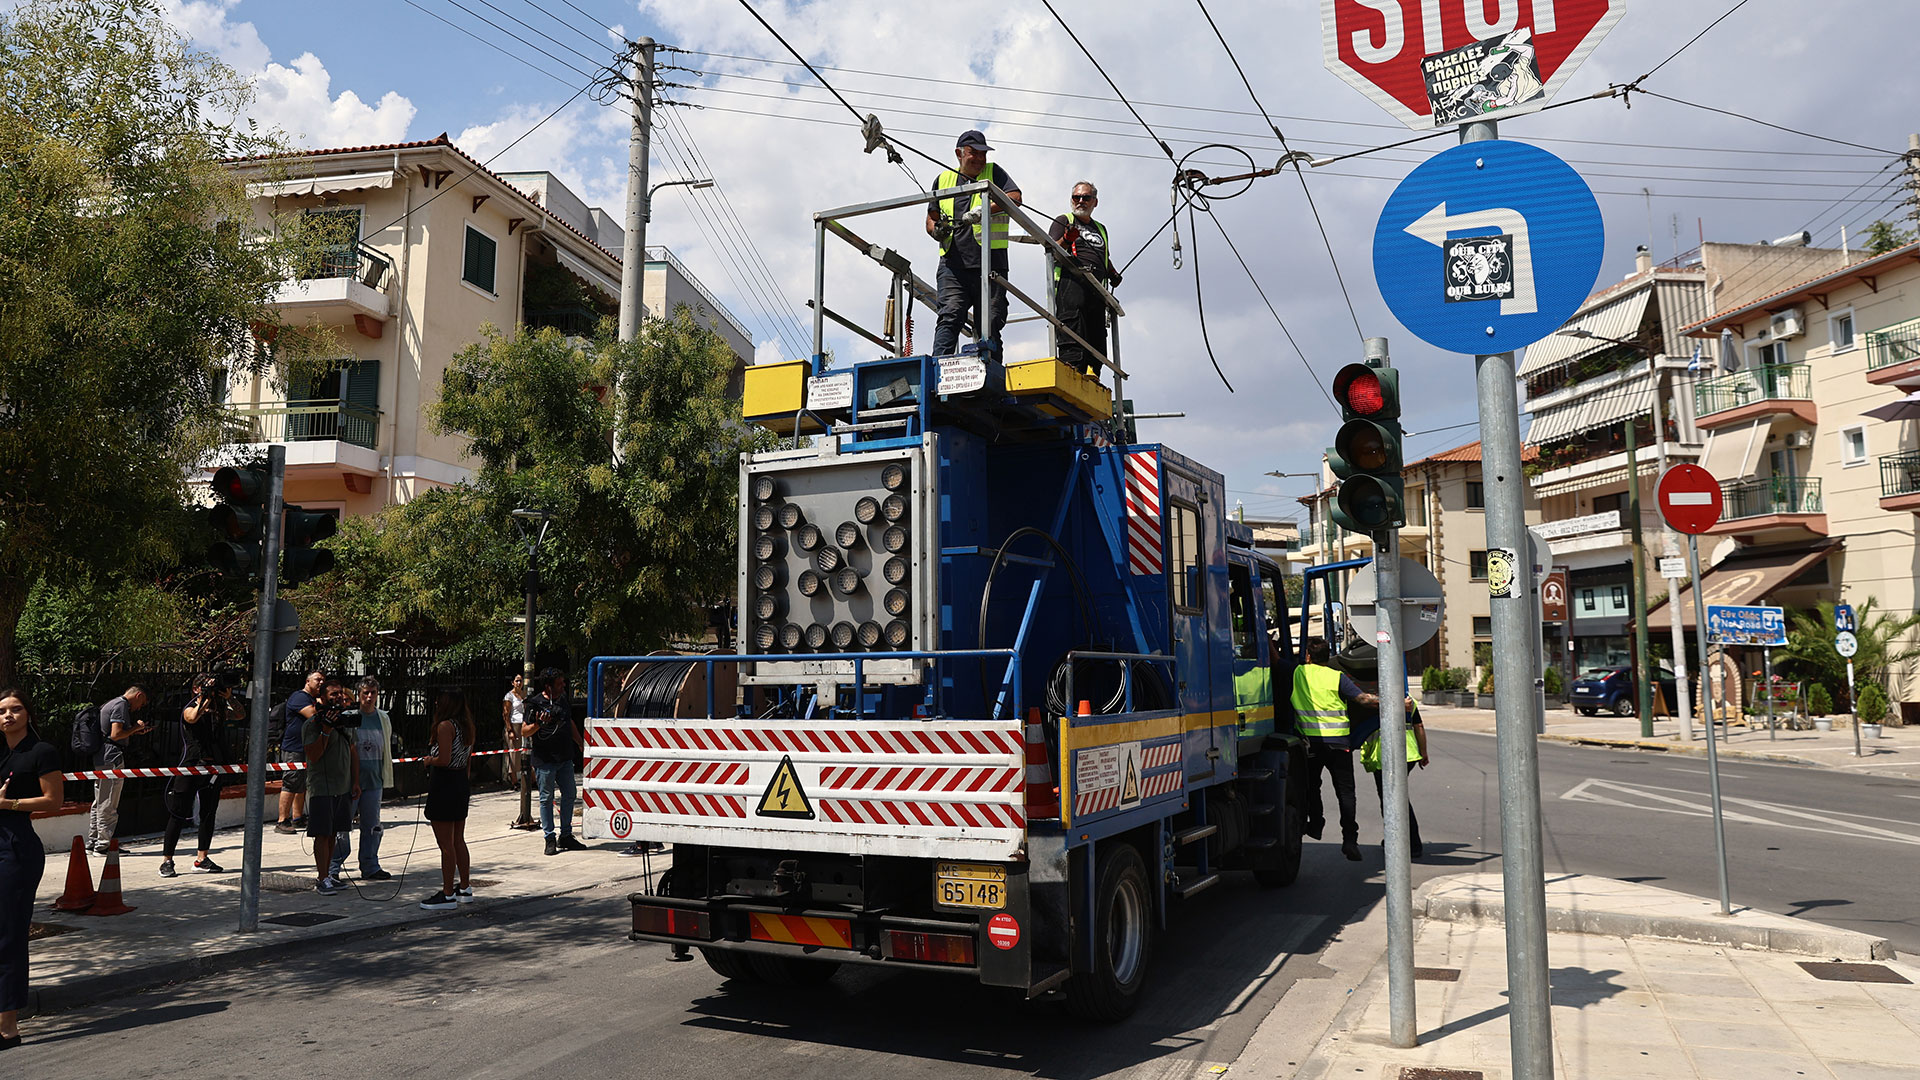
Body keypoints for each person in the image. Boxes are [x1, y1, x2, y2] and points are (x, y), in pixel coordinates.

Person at [1289, 638, 1393, 862]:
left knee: (1311, 786)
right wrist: (1392, 701)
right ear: (1327, 657)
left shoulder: (1298, 673)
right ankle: (1349, 839)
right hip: (1339, 744)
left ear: (1308, 656)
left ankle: (1315, 824)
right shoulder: (1337, 677)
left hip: (1311, 744)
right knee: (1345, 792)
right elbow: (1364, 700)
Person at [1, 687, 63, 1051]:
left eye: (16, 709)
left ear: (28, 714)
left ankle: (7, 1028)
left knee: (8, 936)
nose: (8, 715)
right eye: (2, 711)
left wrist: (9, 804)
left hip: (16, 849)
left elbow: (55, 802)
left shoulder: (41, 751)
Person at [927, 129, 1022, 358]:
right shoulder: (943, 179)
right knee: (949, 317)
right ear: (959, 153)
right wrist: (936, 230)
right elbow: (932, 218)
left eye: (983, 154)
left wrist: (984, 211)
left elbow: (1016, 198)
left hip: (990, 264)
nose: (980, 159)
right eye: (974, 153)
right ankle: (939, 370)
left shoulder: (994, 172)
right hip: (953, 265)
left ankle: (989, 375)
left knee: (988, 324)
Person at [1047, 181, 1122, 375]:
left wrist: (1112, 272)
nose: (1080, 201)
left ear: (1095, 202)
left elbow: (1102, 254)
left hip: (1096, 289)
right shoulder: (1063, 220)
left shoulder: (1101, 229)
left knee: (1097, 338)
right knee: (1073, 331)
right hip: (1071, 283)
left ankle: (1093, 376)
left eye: (1086, 198)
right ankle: (1071, 373)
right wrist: (1067, 239)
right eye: (1076, 197)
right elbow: (1050, 249)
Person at [160, 675, 231, 877]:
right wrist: (204, 697)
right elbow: (191, 718)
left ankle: (202, 858)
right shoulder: (190, 707)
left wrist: (228, 697)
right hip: (191, 765)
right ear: (195, 688)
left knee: (208, 813)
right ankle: (167, 860)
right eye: (206, 686)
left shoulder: (219, 709)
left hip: (213, 766)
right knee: (178, 813)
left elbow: (240, 715)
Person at [329, 677, 394, 883]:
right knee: (342, 826)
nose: (369, 697)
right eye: (365, 693)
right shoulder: (350, 717)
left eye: (373, 693)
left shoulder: (383, 718)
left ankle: (370, 865)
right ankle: (332, 867)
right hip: (349, 781)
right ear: (358, 694)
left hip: (374, 780)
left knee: (372, 825)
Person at [302, 678, 360, 895]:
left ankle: (329, 874)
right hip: (321, 788)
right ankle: (322, 877)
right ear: (322, 698)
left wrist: (355, 782)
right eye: (332, 694)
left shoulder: (346, 723)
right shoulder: (313, 724)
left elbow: (353, 752)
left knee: (334, 833)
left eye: (339, 694)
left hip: (342, 786)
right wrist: (325, 730)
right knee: (322, 834)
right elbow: (314, 755)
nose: (337, 698)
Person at [420, 688, 475, 910]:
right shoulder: (467, 727)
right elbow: (466, 759)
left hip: (445, 783)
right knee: (458, 839)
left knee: (445, 844)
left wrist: (428, 761)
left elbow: (444, 759)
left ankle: (447, 893)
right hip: (460, 781)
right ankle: (464, 886)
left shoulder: (445, 726)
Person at [522, 668, 586, 856]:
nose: (563, 686)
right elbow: (524, 731)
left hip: (564, 757)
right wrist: (539, 724)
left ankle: (566, 835)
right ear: (548, 686)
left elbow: (569, 722)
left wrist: (580, 743)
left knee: (570, 794)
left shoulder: (563, 700)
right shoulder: (535, 703)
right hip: (545, 760)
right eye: (559, 683)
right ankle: (549, 837)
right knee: (546, 798)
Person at [1355, 698, 1428, 859]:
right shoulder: (1410, 701)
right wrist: (1423, 752)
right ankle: (1397, 839)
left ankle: (1409, 843)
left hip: (1386, 757)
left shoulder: (1376, 702)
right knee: (1396, 798)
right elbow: (1419, 726)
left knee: (1391, 800)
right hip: (1408, 755)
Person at [87, 683, 151, 853]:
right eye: (142, 703)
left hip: (102, 756)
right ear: (139, 696)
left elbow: (112, 732)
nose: (139, 708)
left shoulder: (111, 703)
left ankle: (93, 841)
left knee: (100, 800)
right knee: (109, 801)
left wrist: (133, 731)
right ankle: (103, 845)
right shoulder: (121, 705)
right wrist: (136, 727)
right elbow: (116, 735)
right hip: (112, 757)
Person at [276, 669, 324, 834]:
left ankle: (298, 817)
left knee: (301, 783)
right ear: (307, 681)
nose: (321, 683)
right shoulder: (299, 697)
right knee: (290, 782)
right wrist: (321, 704)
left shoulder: (312, 699)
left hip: (306, 747)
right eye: (318, 679)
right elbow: (313, 715)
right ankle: (282, 820)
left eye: (323, 680)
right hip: (293, 748)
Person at [502, 673, 527, 789]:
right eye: (516, 681)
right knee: (514, 753)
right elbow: (506, 714)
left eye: (520, 681)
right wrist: (510, 730)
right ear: (512, 682)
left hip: (523, 725)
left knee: (524, 751)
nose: (519, 683)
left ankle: (527, 779)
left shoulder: (524, 694)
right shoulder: (509, 696)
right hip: (514, 725)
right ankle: (514, 781)